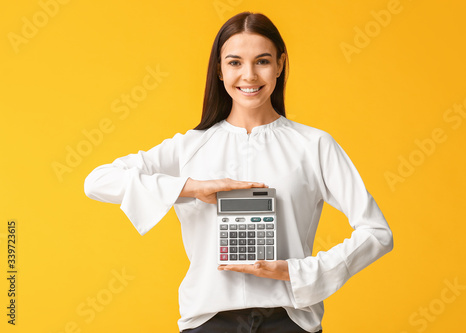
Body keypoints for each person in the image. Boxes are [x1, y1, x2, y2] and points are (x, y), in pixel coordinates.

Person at [84, 11, 393, 333]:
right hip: (207, 321)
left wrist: (297, 271)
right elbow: (97, 181)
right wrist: (191, 188)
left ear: (280, 65)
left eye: (262, 61)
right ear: (219, 69)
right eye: (234, 62)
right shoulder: (190, 147)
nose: (249, 75)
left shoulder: (313, 145)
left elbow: (377, 232)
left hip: (290, 321)